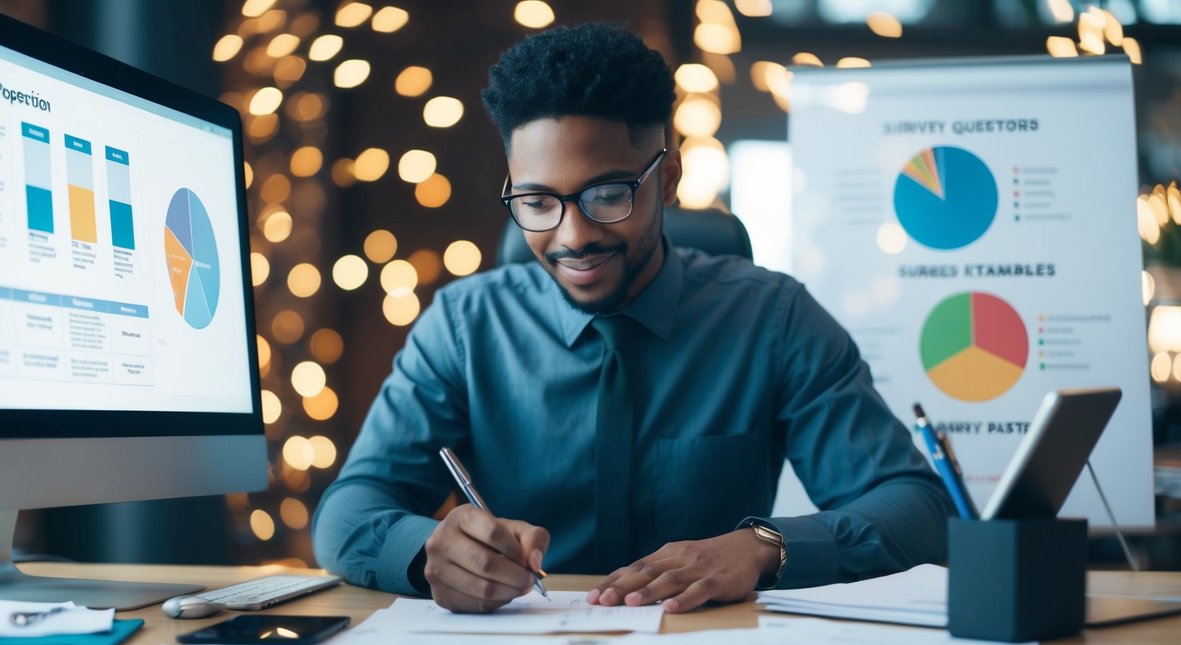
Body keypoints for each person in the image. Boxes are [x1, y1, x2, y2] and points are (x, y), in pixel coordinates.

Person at [312, 22, 951, 614]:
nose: (573, 235)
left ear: (667, 177)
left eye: (608, 195)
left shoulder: (774, 319)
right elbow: (348, 514)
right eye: (537, 201)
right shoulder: (463, 326)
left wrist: (761, 547)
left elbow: (918, 508)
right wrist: (429, 554)